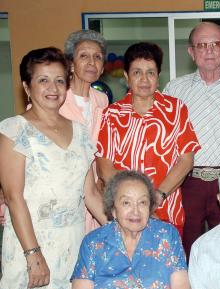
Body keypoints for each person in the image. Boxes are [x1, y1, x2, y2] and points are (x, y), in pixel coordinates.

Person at [0, 47, 106, 288]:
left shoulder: (80, 132)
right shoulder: (13, 130)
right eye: (43, 80)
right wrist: (33, 254)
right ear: (27, 87)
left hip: (74, 242)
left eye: (59, 80)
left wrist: (120, 230)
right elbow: (14, 198)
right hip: (31, 244)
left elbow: (90, 194)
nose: (53, 88)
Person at [163, 21, 220, 258]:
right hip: (186, 184)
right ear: (191, 52)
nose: (209, 50)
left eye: (216, 44)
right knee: (185, 249)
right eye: (201, 45)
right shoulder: (174, 90)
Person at [96, 42, 200, 237]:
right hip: (124, 215)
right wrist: (131, 202)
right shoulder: (112, 114)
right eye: (137, 72)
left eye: (151, 72)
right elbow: (104, 165)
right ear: (126, 77)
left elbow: (186, 160)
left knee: (168, 268)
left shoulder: (176, 110)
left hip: (167, 213)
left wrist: (156, 198)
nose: (144, 79)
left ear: (158, 77)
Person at [71, 170, 190, 289]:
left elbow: (181, 285)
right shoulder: (93, 242)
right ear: (113, 209)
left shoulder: (167, 235)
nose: (135, 211)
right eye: (126, 203)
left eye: (142, 202)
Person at [62, 29, 109, 232]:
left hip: (96, 194)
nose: (92, 62)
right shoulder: (55, 99)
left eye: (97, 57)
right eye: (84, 56)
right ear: (71, 64)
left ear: (102, 67)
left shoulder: (102, 100)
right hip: (64, 194)